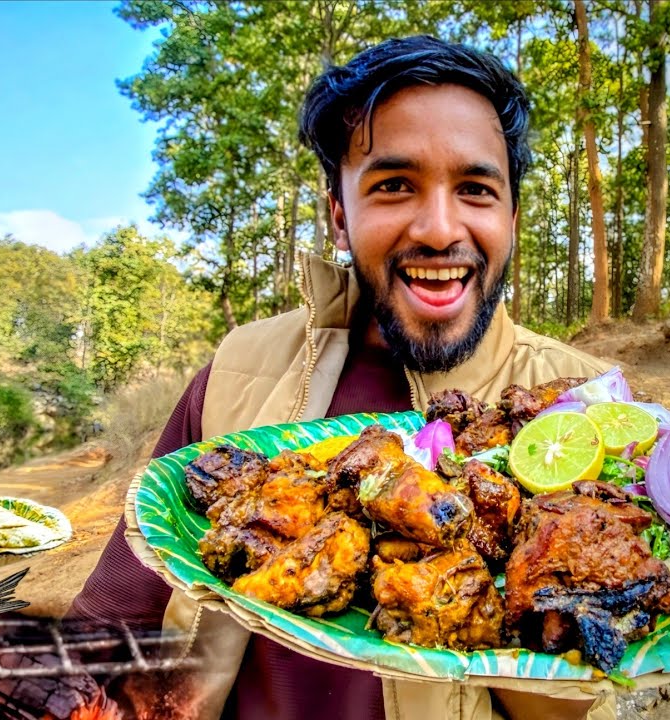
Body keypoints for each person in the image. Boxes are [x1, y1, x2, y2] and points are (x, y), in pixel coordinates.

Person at [68, 36, 613, 720]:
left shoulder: (585, 410)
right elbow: (111, 621)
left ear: (511, 217)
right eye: (393, 186)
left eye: (475, 190)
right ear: (338, 214)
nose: (441, 228)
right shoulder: (240, 370)